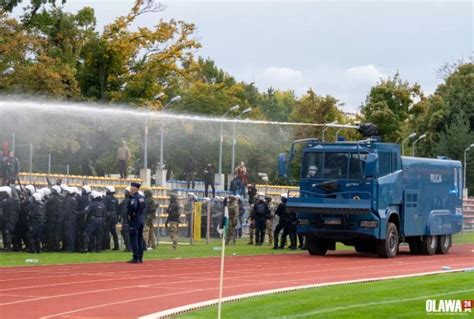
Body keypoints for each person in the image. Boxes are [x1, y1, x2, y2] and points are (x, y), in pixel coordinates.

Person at [127, 182, 145, 263]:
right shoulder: (142, 197)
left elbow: (133, 208)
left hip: (135, 220)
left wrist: (129, 215)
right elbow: (144, 207)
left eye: (131, 188)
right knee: (139, 239)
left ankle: (136, 257)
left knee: (134, 239)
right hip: (141, 219)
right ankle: (140, 257)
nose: (130, 190)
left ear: (134, 188)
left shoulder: (134, 198)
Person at [104, 186, 120, 250]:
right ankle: (117, 246)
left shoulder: (106, 198)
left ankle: (106, 246)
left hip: (108, 216)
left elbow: (104, 207)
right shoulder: (115, 199)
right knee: (114, 232)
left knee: (106, 231)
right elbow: (117, 209)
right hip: (114, 217)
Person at [119, 187, 132, 252]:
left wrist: (120, 217)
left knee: (125, 232)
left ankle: (128, 247)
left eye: (126, 192)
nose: (125, 193)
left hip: (127, 219)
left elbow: (124, 210)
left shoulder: (127, 200)